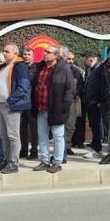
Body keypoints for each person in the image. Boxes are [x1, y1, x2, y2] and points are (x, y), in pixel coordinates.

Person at [32, 44, 76, 173]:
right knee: (42, 136)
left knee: (58, 136)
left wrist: (64, 106)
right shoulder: (40, 67)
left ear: (56, 55)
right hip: (41, 108)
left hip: (56, 109)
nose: (45, 54)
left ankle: (57, 162)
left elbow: (70, 89)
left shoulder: (64, 69)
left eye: (48, 52)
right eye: (45, 51)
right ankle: (45, 161)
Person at [0, 43, 31, 174]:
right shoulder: (3, 67)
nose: (4, 53)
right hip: (0, 104)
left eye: (7, 51)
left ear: (15, 53)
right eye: (4, 51)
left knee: (13, 135)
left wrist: (10, 101)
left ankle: (14, 163)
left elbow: (23, 87)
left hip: (10, 105)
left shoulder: (20, 66)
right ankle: (7, 160)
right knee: (3, 135)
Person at [82, 50, 108, 158]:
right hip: (90, 102)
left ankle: (97, 149)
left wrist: (98, 100)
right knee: (93, 125)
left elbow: (102, 86)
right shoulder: (90, 69)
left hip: (96, 103)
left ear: (91, 59)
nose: (83, 61)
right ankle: (95, 145)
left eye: (84, 59)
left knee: (97, 125)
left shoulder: (99, 69)